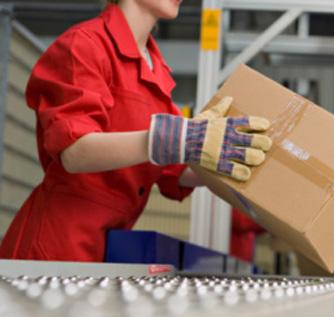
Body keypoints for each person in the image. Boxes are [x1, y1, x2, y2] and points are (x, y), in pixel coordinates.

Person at [0, 0, 272, 261]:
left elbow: (174, 168)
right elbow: (75, 150)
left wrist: (224, 153)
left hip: (110, 244)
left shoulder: (156, 72)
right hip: (56, 244)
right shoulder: (84, 45)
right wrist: (177, 138)